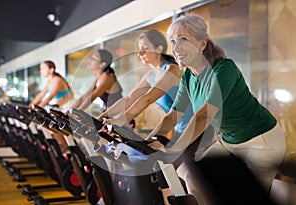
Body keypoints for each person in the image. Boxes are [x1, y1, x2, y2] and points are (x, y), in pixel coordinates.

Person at [147, 14, 286, 204]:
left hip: (261, 141)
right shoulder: (188, 76)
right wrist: (149, 142)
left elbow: (204, 116)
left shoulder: (223, 69)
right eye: (173, 41)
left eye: (183, 40)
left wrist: (174, 149)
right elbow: (173, 115)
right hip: (228, 140)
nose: (176, 48)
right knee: (190, 172)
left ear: (202, 44)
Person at [98, 30, 194, 205]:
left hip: (193, 127)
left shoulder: (172, 70)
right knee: (160, 166)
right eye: (139, 49)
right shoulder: (150, 74)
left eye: (144, 48)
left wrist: (120, 120)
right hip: (176, 129)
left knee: (173, 170)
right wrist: (101, 118)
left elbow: (149, 97)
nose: (140, 53)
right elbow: (129, 99)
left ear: (158, 48)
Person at [28, 60, 74, 150]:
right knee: (53, 129)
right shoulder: (49, 81)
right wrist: (31, 106)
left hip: (68, 106)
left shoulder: (58, 80)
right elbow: (41, 95)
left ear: (51, 69)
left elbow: (50, 96)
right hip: (60, 107)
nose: (41, 71)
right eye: (41, 68)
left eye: (43, 68)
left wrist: (37, 108)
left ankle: (69, 150)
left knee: (59, 130)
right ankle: (65, 150)